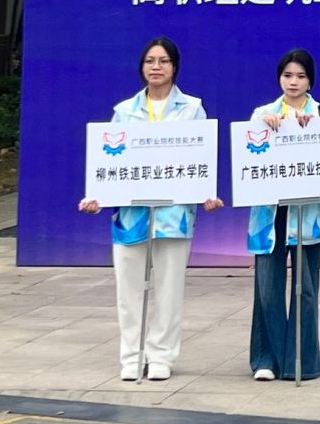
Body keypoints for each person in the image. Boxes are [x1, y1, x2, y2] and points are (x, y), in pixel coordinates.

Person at [78, 37, 222, 382]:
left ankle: (161, 356)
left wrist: (206, 193)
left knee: (170, 290)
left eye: (163, 61)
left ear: (175, 67)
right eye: (150, 61)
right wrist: (96, 197)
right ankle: (131, 355)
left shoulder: (192, 108)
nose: (156, 67)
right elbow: (110, 163)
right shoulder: (124, 111)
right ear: (141, 67)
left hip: (174, 215)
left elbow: (200, 159)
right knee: (128, 290)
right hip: (131, 215)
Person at [247, 48, 320, 382]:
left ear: (310, 81)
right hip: (269, 215)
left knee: (305, 288)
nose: (293, 82)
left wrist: (313, 130)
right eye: (288, 75)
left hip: (308, 214)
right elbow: (250, 156)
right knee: (267, 288)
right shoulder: (262, 113)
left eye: (301, 76)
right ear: (279, 78)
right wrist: (265, 128)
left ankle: (302, 361)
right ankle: (267, 359)